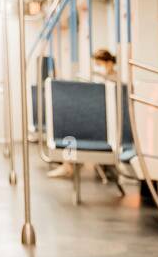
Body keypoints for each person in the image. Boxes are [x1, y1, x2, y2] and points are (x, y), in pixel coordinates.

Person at [49, 48, 122, 180]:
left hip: (108, 123)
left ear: (109, 63)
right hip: (102, 119)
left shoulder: (115, 81)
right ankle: (68, 163)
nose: (97, 68)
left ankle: (69, 164)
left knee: (74, 128)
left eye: (99, 64)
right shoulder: (103, 80)